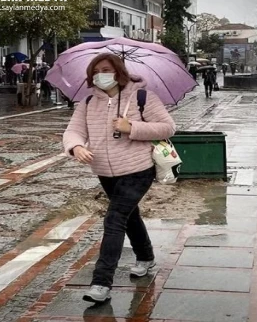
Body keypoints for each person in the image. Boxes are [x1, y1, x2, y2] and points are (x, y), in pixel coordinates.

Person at [63, 53, 176, 304]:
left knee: (114, 220)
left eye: (105, 69)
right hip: (104, 172)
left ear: (118, 72)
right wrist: (76, 147)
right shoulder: (89, 101)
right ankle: (146, 257)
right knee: (129, 216)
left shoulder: (142, 96)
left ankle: (101, 282)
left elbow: (168, 127)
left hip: (137, 169)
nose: (100, 75)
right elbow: (73, 130)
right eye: (95, 71)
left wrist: (131, 127)